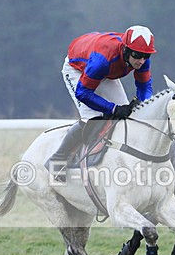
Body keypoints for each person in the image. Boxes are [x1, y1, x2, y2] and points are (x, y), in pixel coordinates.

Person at [46, 25, 157, 181]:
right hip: (78, 68)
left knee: (129, 117)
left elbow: (144, 87)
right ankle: (57, 161)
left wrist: (144, 108)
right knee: (93, 118)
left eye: (146, 55)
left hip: (104, 69)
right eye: (137, 55)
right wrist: (113, 108)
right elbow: (83, 93)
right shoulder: (102, 61)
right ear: (125, 50)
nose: (141, 60)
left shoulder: (141, 59)